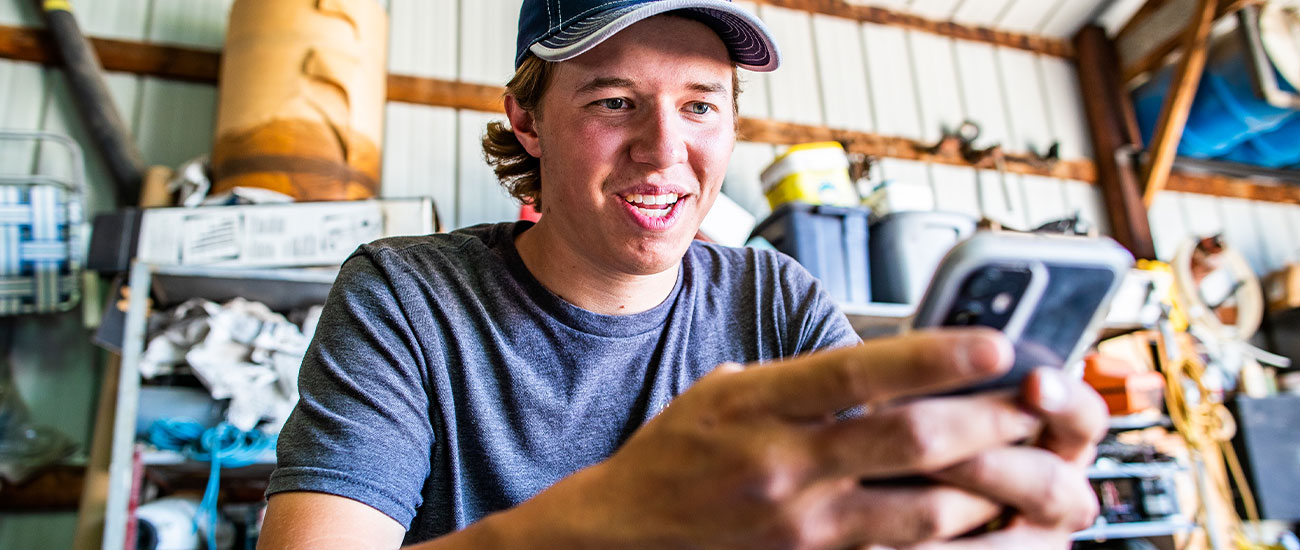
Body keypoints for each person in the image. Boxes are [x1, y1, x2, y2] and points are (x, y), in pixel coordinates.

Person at [258, 1, 1107, 548]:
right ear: (526, 119)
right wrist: (616, 520)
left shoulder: (777, 298)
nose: (665, 152)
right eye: (612, 100)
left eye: (700, 105)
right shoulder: (406, 297)